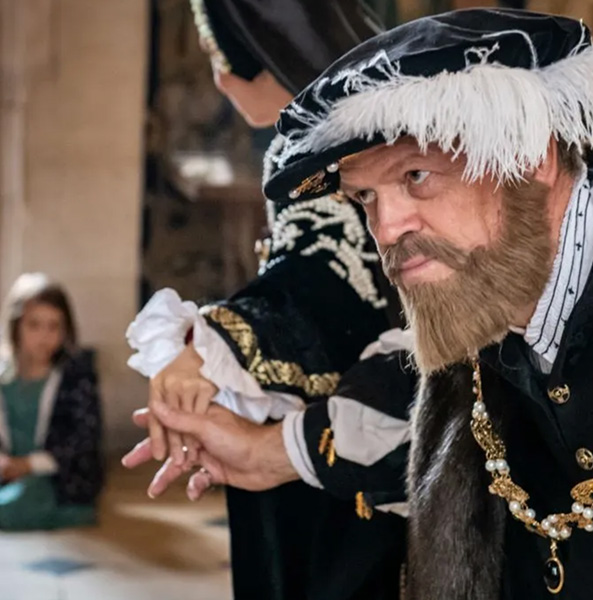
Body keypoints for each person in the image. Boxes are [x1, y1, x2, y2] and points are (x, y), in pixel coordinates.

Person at [249, 8, 593, 600]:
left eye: (415, 176)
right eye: (365, 197)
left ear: (529, 157)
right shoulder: (481, 301)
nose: (386, 228)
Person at [124, 2, 413, 599]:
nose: (219, 81)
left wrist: (212, 343)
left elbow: (321, 277)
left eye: (221, 59)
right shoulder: (353, 125)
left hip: (355, 417)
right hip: (354, 407)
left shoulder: (316, 144)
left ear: (266, 55)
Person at [0, 273, 103, 531]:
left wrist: (27, 465)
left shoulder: (75, 378)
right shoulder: (3, 378)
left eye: (53, 326)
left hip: (55, 480)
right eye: (34, 325)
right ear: (16, 326)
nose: (44, 336)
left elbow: (83, 441)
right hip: (6, 475)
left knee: (18, 503)